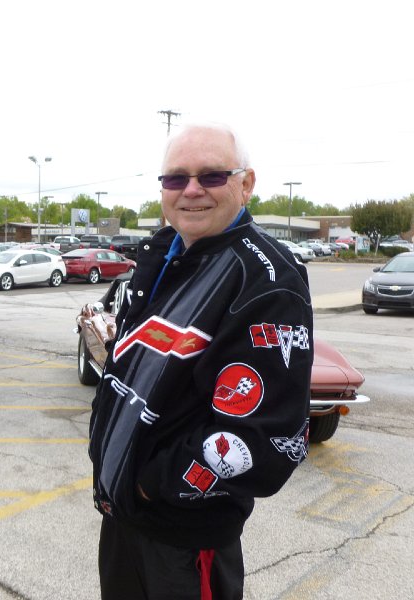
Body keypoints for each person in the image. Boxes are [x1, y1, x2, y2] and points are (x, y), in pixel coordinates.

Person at [89, 123, 313, 599]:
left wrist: (150, 484)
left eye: (211, 176)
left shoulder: (266, 280)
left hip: (185, 539)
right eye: (175, 178)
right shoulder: (163, 257)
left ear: (246, 183)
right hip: (124, 519)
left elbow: (262, 436)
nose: (191, 190)